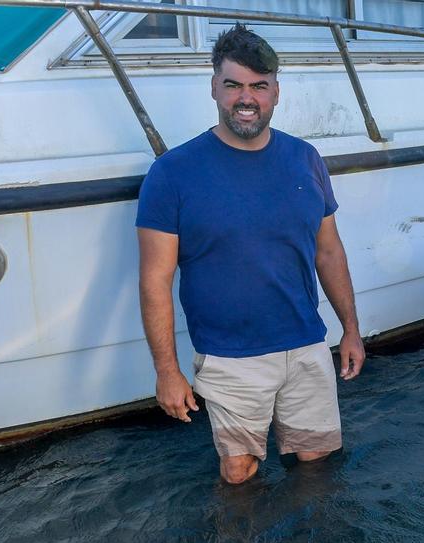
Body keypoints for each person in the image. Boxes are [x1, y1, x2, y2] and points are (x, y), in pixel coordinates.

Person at [136, 25, 365, 485]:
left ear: (276, 92)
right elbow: (154, 280)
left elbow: (329, 251)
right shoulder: (172, 172)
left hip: (305, 344)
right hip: (230, 356)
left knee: (318, 460)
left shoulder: (305, 158)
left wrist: (352, 330)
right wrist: (167, 371)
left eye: (259, 86)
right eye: (234, 85)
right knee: (239, 474)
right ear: (214, 88)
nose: (247, 98)